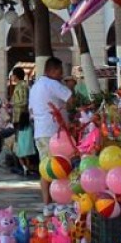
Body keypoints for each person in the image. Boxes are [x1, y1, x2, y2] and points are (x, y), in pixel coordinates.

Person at [28, 57, 73, 207]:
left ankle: (47, 203)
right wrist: (71, 86)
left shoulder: (35, 86)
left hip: (40, 132)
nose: (61, 74)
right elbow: (71, 99)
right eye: (60, 71)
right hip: (54, 133)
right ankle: (58, 202)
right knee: (58, 168)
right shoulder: (53, 84)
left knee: (45, 168)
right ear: (52, 70)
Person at [11, 67, 36, 175]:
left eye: (12, 75)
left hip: (21, 117)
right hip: (20, 117)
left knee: (21, 142)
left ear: (16, 76)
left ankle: (25, 166)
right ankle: (25, 165)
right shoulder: (21, 86)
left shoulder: (21, 86)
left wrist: (13, 104)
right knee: (21, 142)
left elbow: (23, 101)